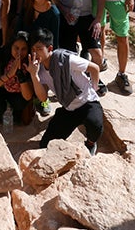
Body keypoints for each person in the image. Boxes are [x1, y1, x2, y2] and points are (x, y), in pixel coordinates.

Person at [27, 28, 103, 156]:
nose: (36, 53)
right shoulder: (39, 71)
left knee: (95, 125)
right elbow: (43, 98)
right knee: (45, 144)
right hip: (69, 108)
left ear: (49, 48)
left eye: (39, 49)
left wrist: (93, 89)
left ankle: (90, 143)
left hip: (87, 102)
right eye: (33, 50)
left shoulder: (65, 59)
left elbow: (94, 69)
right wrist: (34, 76)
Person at [21, 0, 60, 116]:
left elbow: (53, 41)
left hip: (43, 54)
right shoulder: (28, 5)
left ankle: (43, 101)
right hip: (27, 49)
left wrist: (46, 60)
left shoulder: (53, 13)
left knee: (43, 77)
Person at [0, 31, 34, 125]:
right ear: (10, 46)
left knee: (21, 104)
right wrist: (9, 75)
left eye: (24, 49)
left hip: (14, 91)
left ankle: (13, 108)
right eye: (16, 48)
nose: (19, 53)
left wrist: (20, 75)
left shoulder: (29, 62)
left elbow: (27, 96)